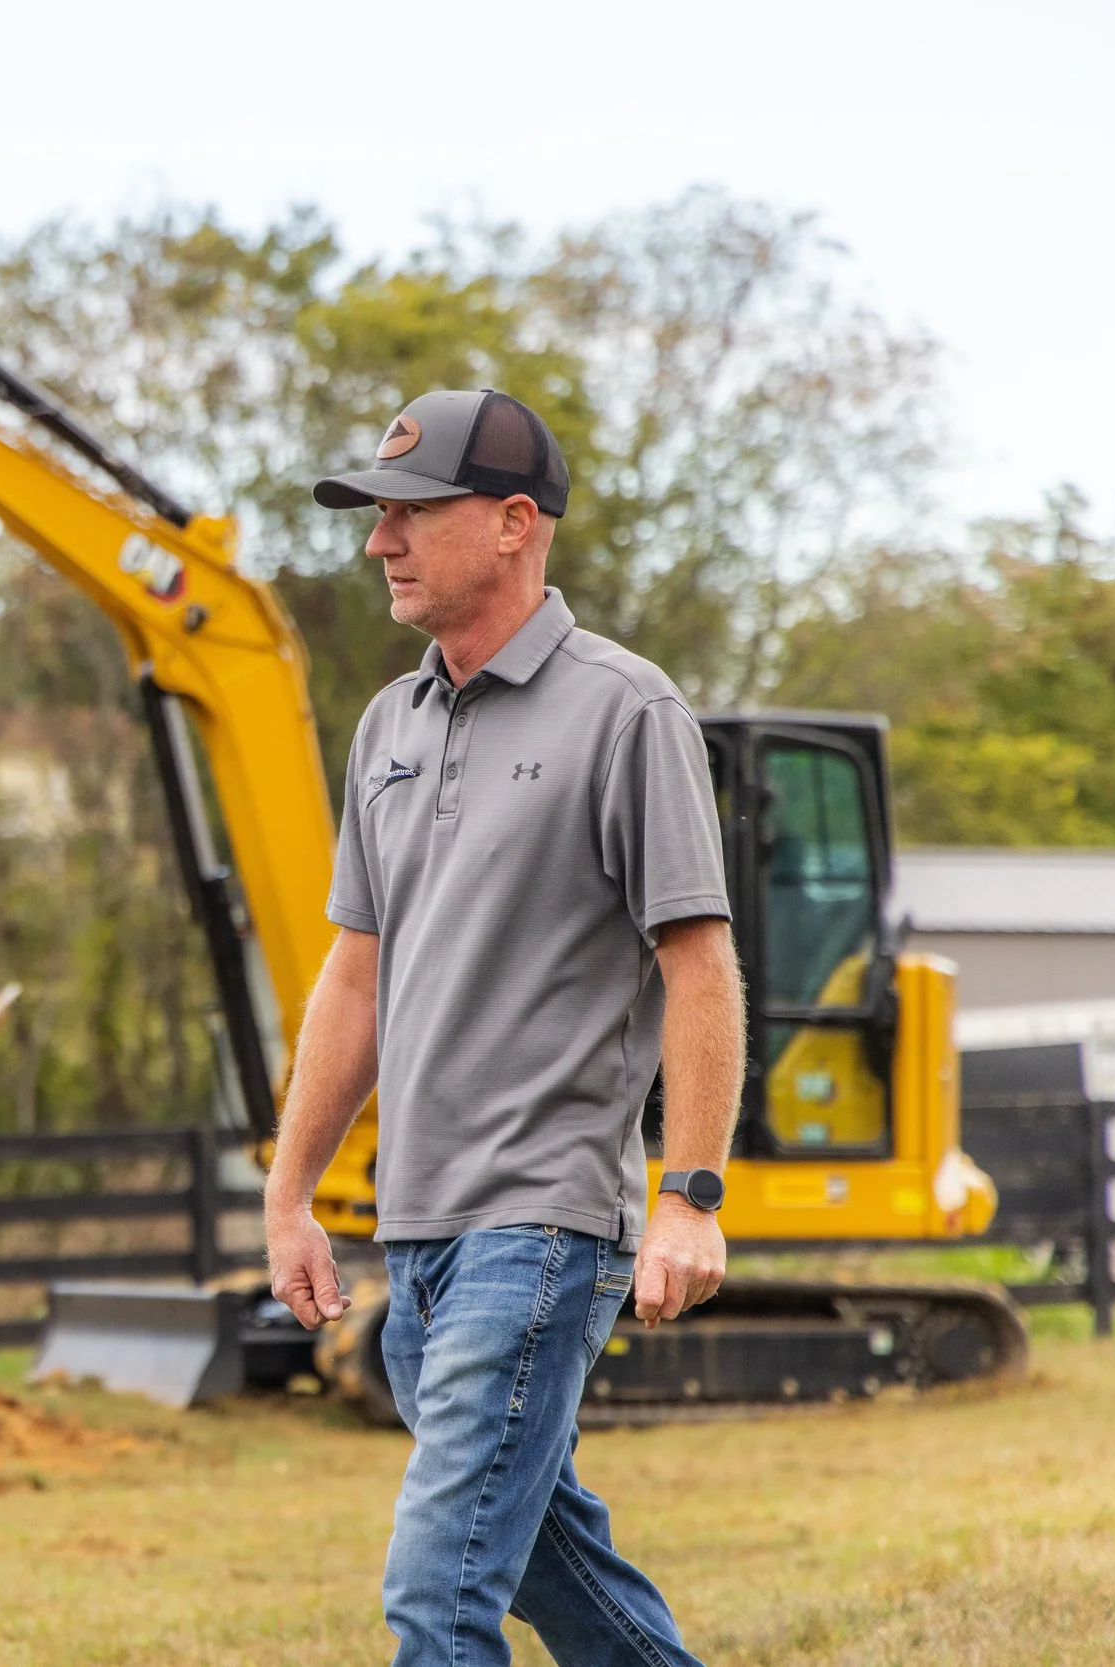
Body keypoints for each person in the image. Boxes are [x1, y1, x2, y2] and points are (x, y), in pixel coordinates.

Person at [261, 389, 745, 1666]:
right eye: (377, 516)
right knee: (543, 1556)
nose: (381, 542)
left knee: (438, 1590)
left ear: (515, 522)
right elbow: (352, 980)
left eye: (413, 513)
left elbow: (697, 961)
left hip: (538, 1222)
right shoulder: (386, 726)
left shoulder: (624, 709)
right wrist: (289, 1191)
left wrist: (688, 1192)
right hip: (415, 1228)